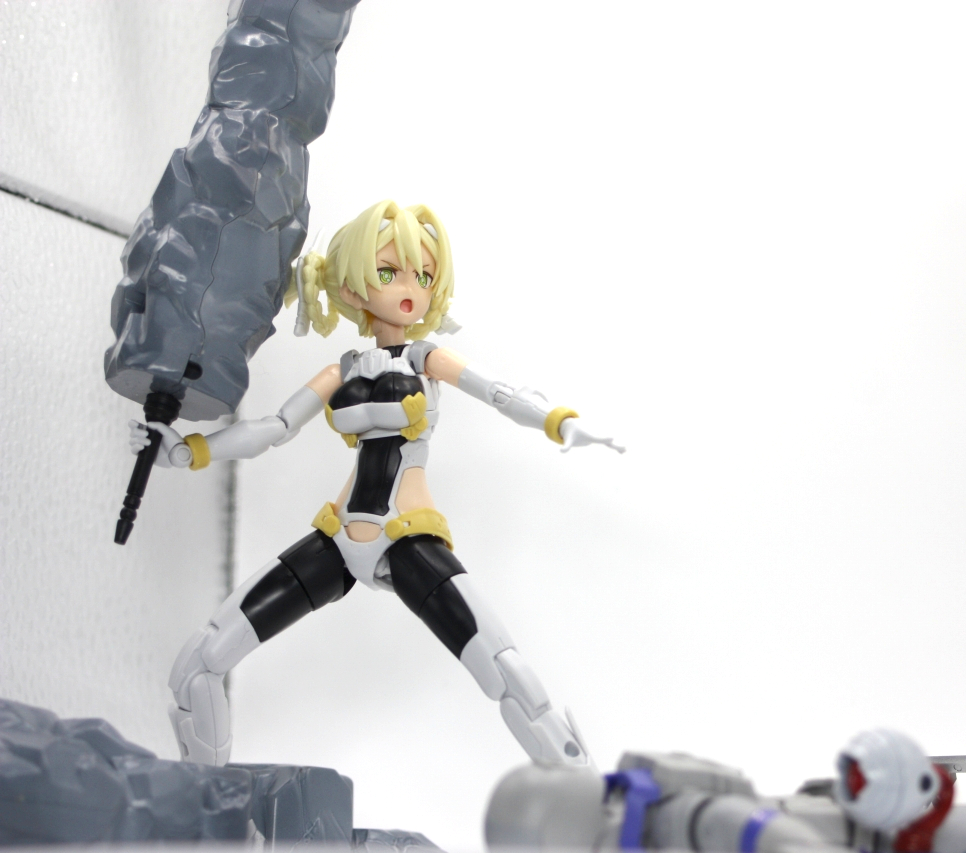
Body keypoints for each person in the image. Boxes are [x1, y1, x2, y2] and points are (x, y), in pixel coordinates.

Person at [131, 199, 620, 768]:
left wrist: (558, 421)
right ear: (352, 285)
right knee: (201, 661)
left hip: (405, 537)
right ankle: (205, 790)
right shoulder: (342, 369)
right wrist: (191, 451)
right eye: (389, 273)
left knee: (505, 670)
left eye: (424, 276)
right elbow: (273, 428)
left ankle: (581, 787)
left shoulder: (426, 359)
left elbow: (499, 393)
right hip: (337, 541)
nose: (409, 288)